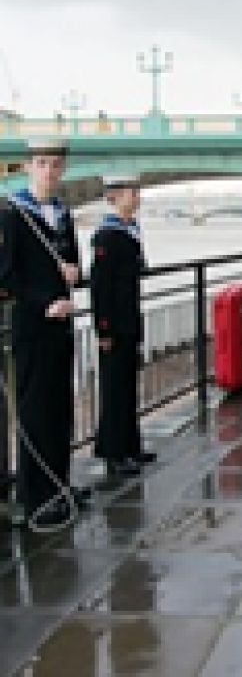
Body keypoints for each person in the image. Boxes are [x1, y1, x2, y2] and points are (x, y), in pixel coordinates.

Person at [0, 139, 85, 528]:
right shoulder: (13, 213)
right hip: (33, 325)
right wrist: (42, 302)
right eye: (41, 163)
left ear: (62, 169)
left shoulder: (63, 215)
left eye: (54, 164)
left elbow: (74, 264)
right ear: (30, 167)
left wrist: (74, 273)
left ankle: (60, 485)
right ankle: (35, 496)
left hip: (62, 323)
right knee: (35, 410)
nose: (48, 171)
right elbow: (7, 274)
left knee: (60, 407)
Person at [91, 175, 156, 478]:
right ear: (115, 196)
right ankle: (113, 452)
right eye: (132, 192)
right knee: (114, 389)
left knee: (128, 386)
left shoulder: (130, 230)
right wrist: (103, 329)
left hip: (129, 319)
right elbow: (100, 286)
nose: (137, 196)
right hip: (114, 324)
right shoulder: (108, 235)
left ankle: (130, 445)